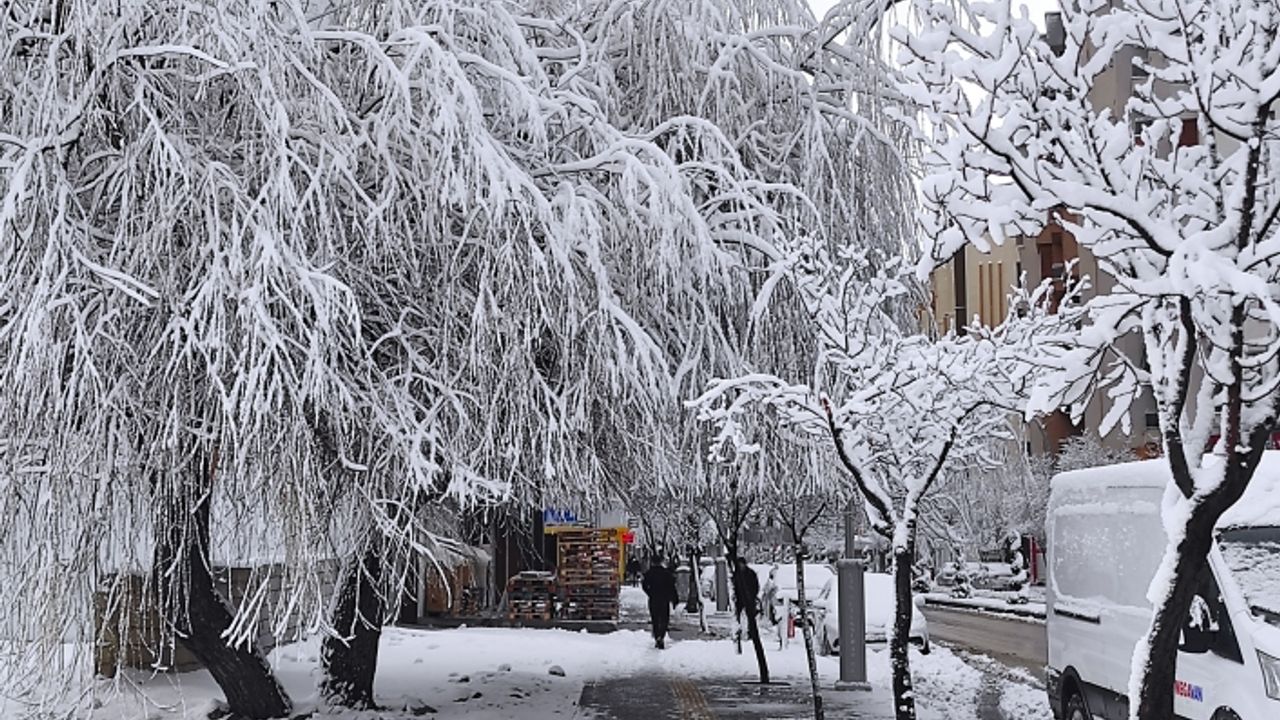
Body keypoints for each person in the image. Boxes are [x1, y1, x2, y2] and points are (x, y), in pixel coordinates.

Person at [641, 554, 678, 648]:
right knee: (664, 619)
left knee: (655, 619)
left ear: (653, 562)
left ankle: (657, 636)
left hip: (654, 599)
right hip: (664, 599)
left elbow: (644, 585)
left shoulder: (649, 573)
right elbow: (672, 587)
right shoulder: (666, 573)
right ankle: (661, 636)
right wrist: (674, 599)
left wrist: (650, 593)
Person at [732, 557, 761, 632]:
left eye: (741, 564)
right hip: (740, 598)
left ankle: (751, 631)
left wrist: (753, 595)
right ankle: (738, 629)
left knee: (751, 616)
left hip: (750, 598)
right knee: (737, 614)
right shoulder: (737, 574)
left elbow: (756, 585)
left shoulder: (750, 573)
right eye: (739, 564)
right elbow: (734, 585)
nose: (740, 566)